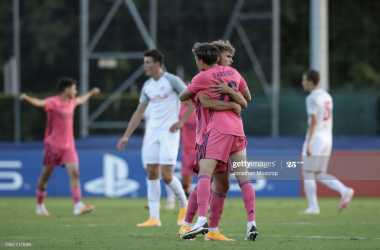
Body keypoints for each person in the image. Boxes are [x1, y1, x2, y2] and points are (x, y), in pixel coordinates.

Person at [179, 43, 257, 241]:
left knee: (220, 185)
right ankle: (187, 225)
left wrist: (231, 94)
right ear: (217, 57)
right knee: (210, 180)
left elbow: (245, 99)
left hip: (221, 132)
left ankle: (211, 230)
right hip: (208, 133)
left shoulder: (216, 76)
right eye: (228, 56)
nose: (231, 60)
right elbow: (206, 102)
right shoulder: (207, 79)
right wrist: (232, 101)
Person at [117, 49, 193, 226]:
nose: (144, 66)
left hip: (169, 134)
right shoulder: (147, 86)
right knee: (151, 174)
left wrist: (181, 122)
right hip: (151, 134)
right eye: (144, 63)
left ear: (157, 64)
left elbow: (190, 103)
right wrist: (126, 136)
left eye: (147, 62)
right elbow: (139, 112)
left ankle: (184, 205)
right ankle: (154, 218)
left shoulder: (172, 80)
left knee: (167, 176)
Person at [20, 77, 100, 216]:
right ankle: (40, 206)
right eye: (74, 88)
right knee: (45, 177)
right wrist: (27, 98)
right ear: (67, 89)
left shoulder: (71, 103)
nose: (76, 91)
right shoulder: (53, 102)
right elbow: (40, 103)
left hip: (69, 146)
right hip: (53, 146)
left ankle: (78, 206)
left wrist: (91, 93)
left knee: (75, 173)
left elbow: (81, 99)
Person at [299, 69, 354, 214]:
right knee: (319, 173)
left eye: (304, 80)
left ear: (311, 82)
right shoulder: (327, 96)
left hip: (316, 138)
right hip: (327, 139)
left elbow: (314, 120)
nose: (302, 82)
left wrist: (309, 142)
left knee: (307, 171)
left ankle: (313, 207)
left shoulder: (311, 98)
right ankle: (344, 190)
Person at [142, 103, 176, 210]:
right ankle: (154, 202)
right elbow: (145, 124)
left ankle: (172, 200)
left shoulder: (167, 104)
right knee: (149, 171)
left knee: (167, 172)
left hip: (164, 140)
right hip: (149, 141)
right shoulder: (146, 106)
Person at [179, 100, 197, 198]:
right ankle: (186, 203)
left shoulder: (203, 107)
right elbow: (176, 127)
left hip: (203, 150)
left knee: (206, 178)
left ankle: (208, 204)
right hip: (187, 151)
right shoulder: (180, 109)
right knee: (185, 183)